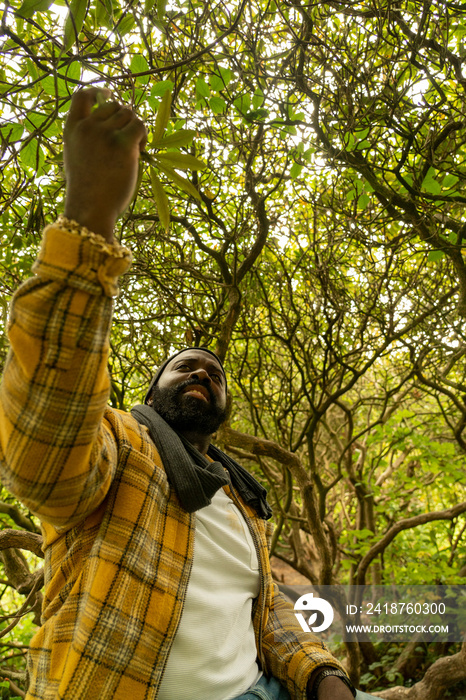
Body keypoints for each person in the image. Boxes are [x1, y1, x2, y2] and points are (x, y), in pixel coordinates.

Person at [0, 89, 377, 700]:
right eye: (185, 368)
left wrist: (321, 672)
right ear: (151, 393)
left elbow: (261, 606)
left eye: (214, 373)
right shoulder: (119, 444)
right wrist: (89, 219)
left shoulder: (242, 495)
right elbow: (43, 454)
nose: (202, 373)